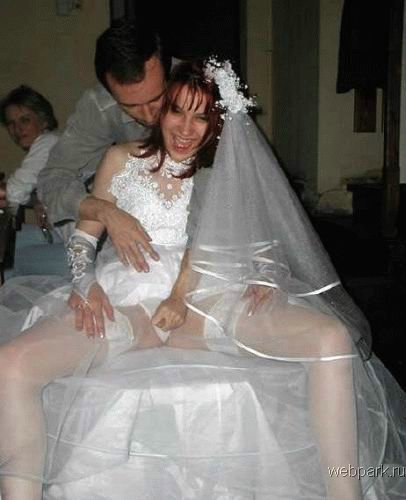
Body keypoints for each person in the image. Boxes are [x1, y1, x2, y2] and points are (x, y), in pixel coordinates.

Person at [0, 60, 405, 500]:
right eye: (178, 111)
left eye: (201, 117)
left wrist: (266, 275)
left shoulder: (225, 173)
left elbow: (263, 242)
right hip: (129, 303)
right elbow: (82, 240)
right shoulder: (119, 159)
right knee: (12, 363)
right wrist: (87, 285)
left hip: (208, 301)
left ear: (217, 122)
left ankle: (344, 492)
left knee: (332, 339)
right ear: (162, 109)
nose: (186, 128)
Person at [37, 18, 171, 270]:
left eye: (156, 99)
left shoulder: (201, 88)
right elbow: (52, 178)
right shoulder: (99, 106)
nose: (149, 115)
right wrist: (104, 211)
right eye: (130, 106)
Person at [0, 85, 68, 277]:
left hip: (89, 245)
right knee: (17, 240)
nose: (17, 129)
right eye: (11, 123)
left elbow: (14, 192)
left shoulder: (48, 142)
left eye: (25, 120)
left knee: (10, 259)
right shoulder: (52, 143)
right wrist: (38, 201)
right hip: (63, 235)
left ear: (43, 120)